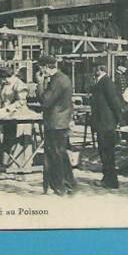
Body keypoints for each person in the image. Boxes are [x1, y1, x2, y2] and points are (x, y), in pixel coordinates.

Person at [36, 55, 76, 196]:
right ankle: (69, 184)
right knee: (62, 154)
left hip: (54, 123)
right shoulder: (64, 78)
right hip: (62, 121)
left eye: (41, 68)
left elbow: (45, 101)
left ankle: (59, 187)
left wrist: (40, 84)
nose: (41, 71)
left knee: (55, 156)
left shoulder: (56, 80)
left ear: (46, 67)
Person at [91, 65, 124, 189]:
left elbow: (114, 101)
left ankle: (110, 181)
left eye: (95, 70)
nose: (93, 72)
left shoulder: (106, 82)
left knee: (107, 152)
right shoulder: (101, 81)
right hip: (102, 122)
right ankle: (107, 179)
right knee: (104, 152)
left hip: (106, 123)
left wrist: (119, 119)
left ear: (100, 70)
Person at [0, 65, 32, 168]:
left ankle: (19, 167)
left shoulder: (19, 84)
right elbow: (1, 98)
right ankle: (8, 164)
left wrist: (8, 108)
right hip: (7, 116)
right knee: (8, 138)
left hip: (20, 115)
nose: (3, 80)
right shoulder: (5, 84)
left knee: (18, 140)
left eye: (4, 78)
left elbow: (21, 101)